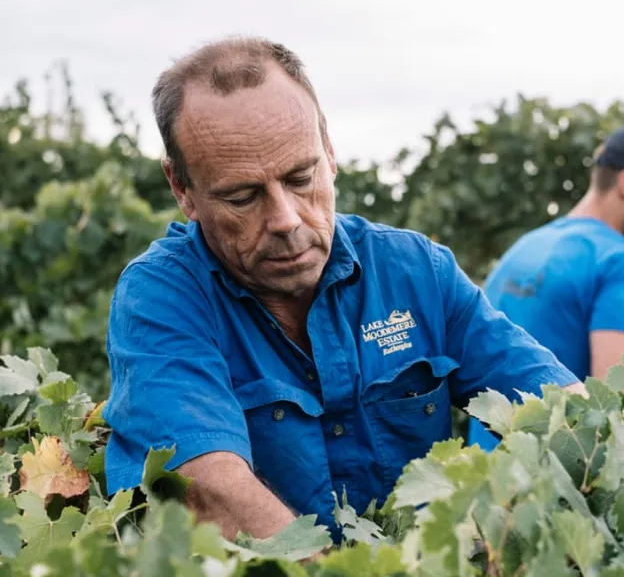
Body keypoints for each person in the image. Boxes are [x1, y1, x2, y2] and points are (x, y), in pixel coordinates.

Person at [101, 35, 586, 542]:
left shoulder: (417, 272)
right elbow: (209, 492)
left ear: (329, 151)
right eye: (242, 198)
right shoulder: (161, 298)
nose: (286, 219)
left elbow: (564, 409)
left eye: (300, 178)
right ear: (183, 190)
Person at [467, 121, 624, 467]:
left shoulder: (523, 249)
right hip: (552, 498)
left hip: (482, 490)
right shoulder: (621, 260)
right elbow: (621, 398)